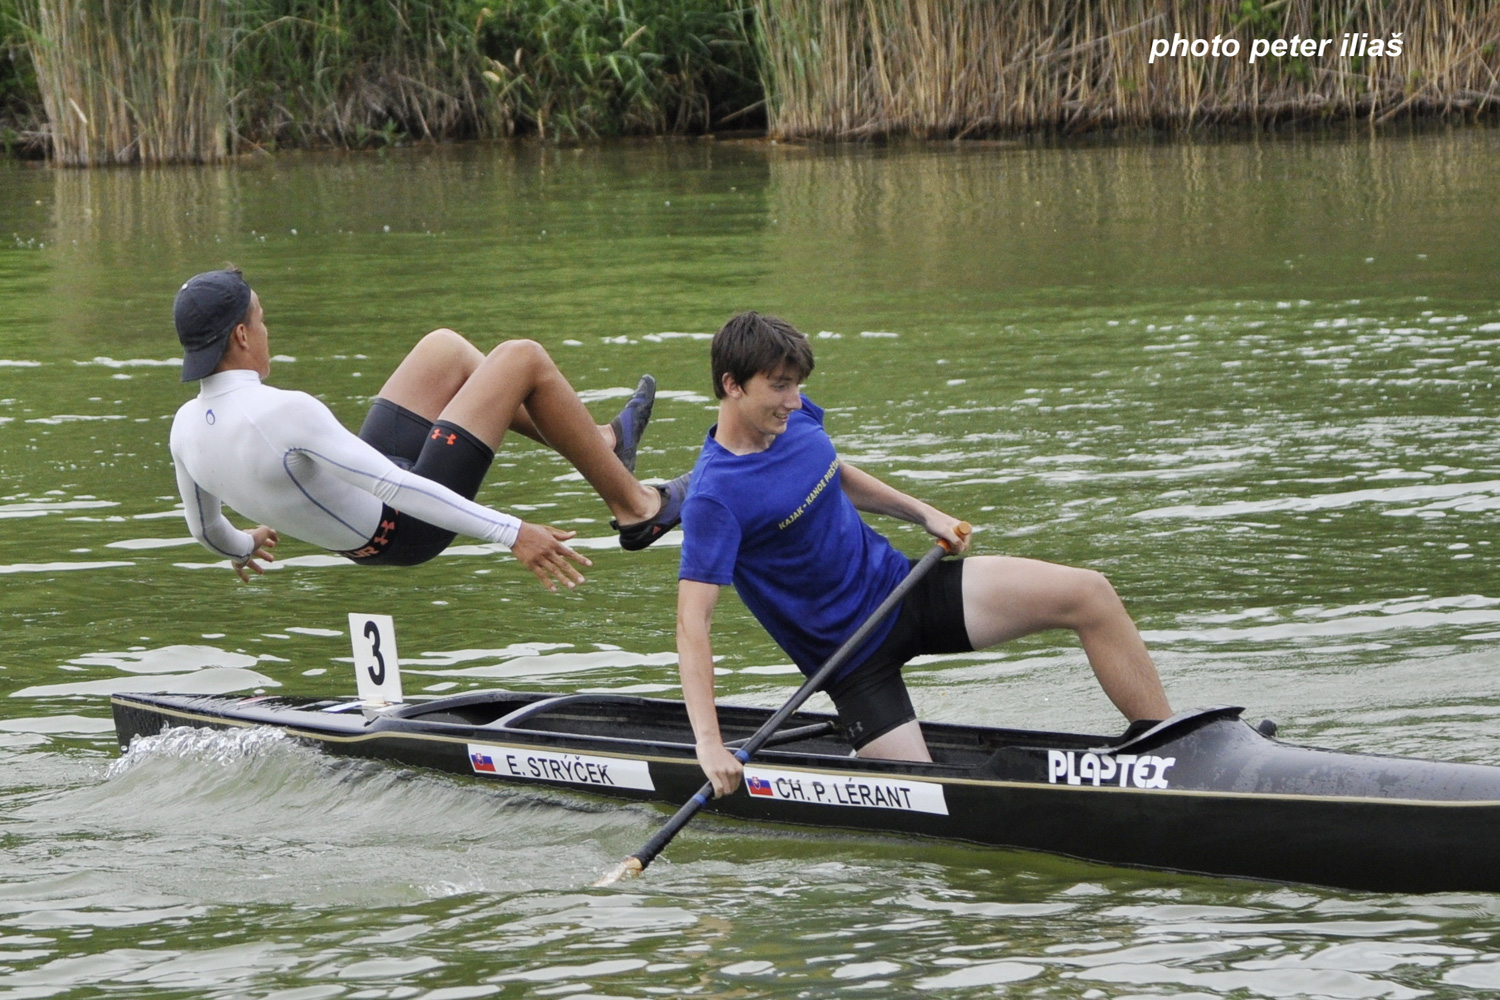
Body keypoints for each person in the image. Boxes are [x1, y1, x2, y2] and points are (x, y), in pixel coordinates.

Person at [676, 312, 1173, 797]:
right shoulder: (714, 498)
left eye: (797, 384)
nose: (795, 400)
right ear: (732, 384)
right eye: (780, 386)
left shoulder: (792, 419)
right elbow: (692, 622)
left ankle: (1172, 746)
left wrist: (923, 514)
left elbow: (829, 471)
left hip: (903, 590)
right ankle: (864, 755)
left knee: (1089, 594)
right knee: (933, 798)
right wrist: (710, 743)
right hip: (851, 659)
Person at [168, 268, 687, 590]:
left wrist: (243, 547)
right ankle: (638, 508)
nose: (267, 329)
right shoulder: (282, 412)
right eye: (261, 319)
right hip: (404, 526)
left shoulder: (185, 429)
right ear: (241, 334)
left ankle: (600, 445)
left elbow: (206, 530)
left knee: (446, 349)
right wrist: (513, 533)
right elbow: (394, 487)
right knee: (521, 358)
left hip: (367, 508)